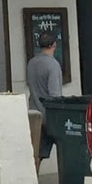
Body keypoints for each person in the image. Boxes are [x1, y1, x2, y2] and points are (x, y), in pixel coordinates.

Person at [26, 31, 63, 163]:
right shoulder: (53, 65)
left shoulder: (31, 63)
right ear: (54, 45)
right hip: (50, 115)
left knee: (36, 154)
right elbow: (54, 94)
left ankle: (33, 181)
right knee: (64, 149)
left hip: (34, 112)